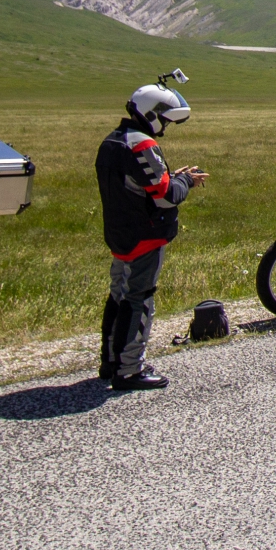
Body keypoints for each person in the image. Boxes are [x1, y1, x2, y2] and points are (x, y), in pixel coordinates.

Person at [95, 72, 206, 389]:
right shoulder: (142, 144)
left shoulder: (112, 140)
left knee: (118, 295)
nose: (165, 127)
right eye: (165, 120)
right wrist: (185, 181)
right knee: (139, 299)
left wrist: (174, 178)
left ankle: (111, 362)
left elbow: (142, 185)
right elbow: (166, 196)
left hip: (120, 233)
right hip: (144, 235)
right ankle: (130, 369)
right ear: (153, 113)